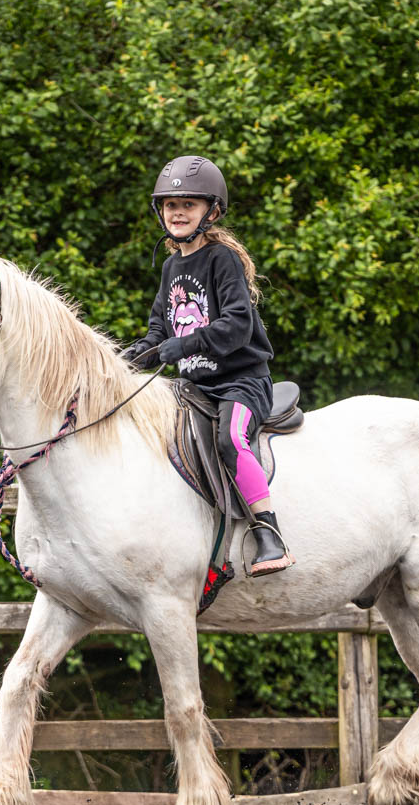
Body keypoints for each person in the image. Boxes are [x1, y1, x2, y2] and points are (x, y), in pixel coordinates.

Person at [120, 155, 294, 575]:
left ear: (210, 211)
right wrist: (123, 360)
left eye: (188, 204)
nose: (177, 212)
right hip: (195, 388)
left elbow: (234, 326)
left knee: (229, 439)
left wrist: (176, 347)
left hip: (241, 382)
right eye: (170, 205)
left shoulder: (221, 260)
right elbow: (158, 334)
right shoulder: (170, 267)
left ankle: (268, 532)